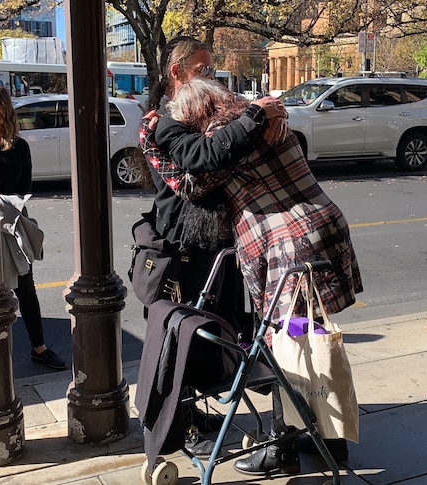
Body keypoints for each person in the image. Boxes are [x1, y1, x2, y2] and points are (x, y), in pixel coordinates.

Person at [167, 77, 362, 476]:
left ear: (193, 114)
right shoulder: (270, 119)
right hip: (322, 225)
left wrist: (156, 137)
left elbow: (192, 183)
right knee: (309, 336)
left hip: (288, 245)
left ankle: (282, 446)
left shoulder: (226, 139)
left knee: (279, 344)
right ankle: (330, 438)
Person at [134, 36, 288, 457]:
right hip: (178, 251)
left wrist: (272, 114)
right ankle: (184, 426)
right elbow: (203, 161)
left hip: (219, 247)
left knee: (217, 338)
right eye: (202, 70)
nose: (212, 77)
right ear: (176, 73)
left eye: (212, 69)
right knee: (182, 342)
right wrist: (256, 117)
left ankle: (207, 419)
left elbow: (240, 140)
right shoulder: (162, 122)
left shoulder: (209, 111)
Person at [0, 84, 66, 371]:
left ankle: (39, 348)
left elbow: (25, 188)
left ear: (1, 108)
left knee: (25, 286)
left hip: (11, 223)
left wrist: (4, 206)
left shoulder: (18, 146)